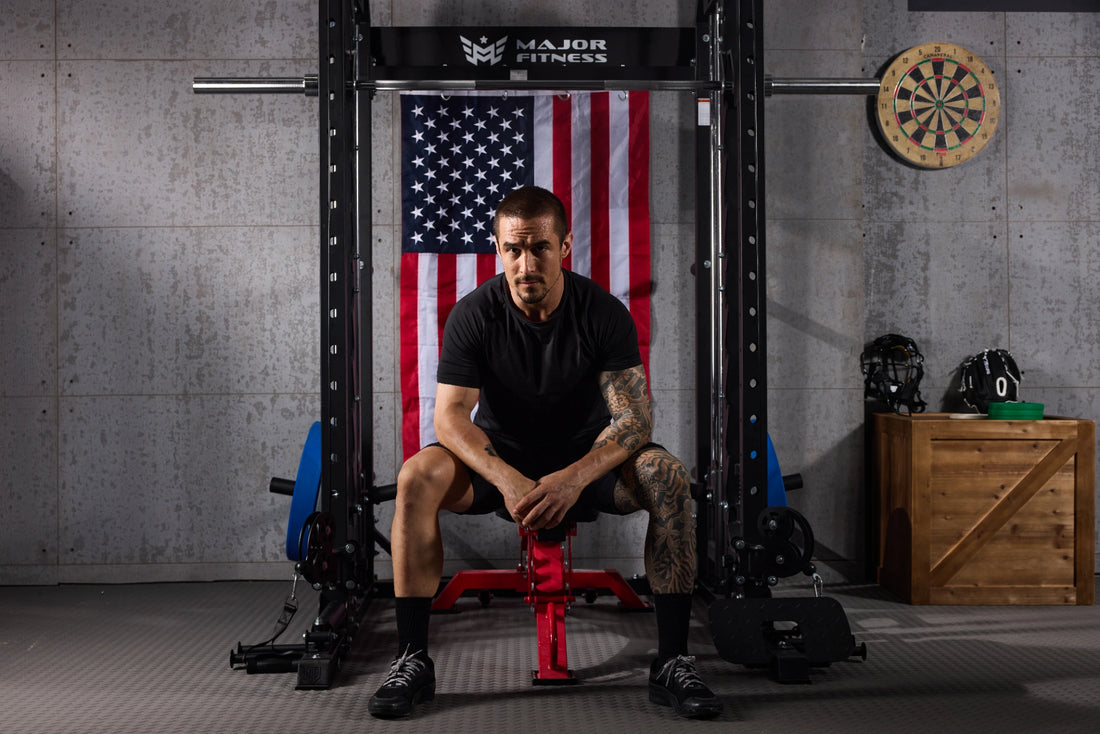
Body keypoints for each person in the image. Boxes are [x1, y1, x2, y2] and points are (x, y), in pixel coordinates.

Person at [368, 186, 722, 720]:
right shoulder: (475, 315)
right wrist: (509, 480)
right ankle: (412, 659)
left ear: (566, 247)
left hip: (586, 462)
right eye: (513, 249)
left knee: (666, 475)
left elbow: (633, 419)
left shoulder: (601, 312)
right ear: (498, 250)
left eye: (539, 248)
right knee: (417, 476)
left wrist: (572, 479)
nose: (526, 262)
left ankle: (672, 661)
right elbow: (449, 417)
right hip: (497, 461)